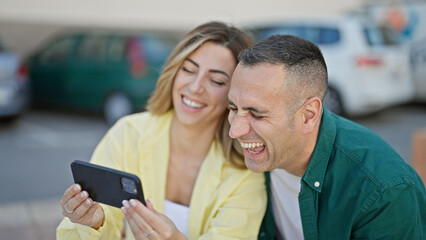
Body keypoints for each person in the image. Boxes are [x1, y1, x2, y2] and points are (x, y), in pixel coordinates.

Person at [57, 21, 267, 240]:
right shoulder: (129, 134)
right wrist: (92, 222)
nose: (195, 87)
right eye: (188, 69)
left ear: (234, 97)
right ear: (174, 71)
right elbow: (90, 227)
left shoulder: (245, 170)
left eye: (216, 80)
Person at [227, 34, 426, 240]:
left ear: (308, 115)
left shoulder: (384, 192)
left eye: (257, 114)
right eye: (233, 108)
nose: (235, 131)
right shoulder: (257, 150)